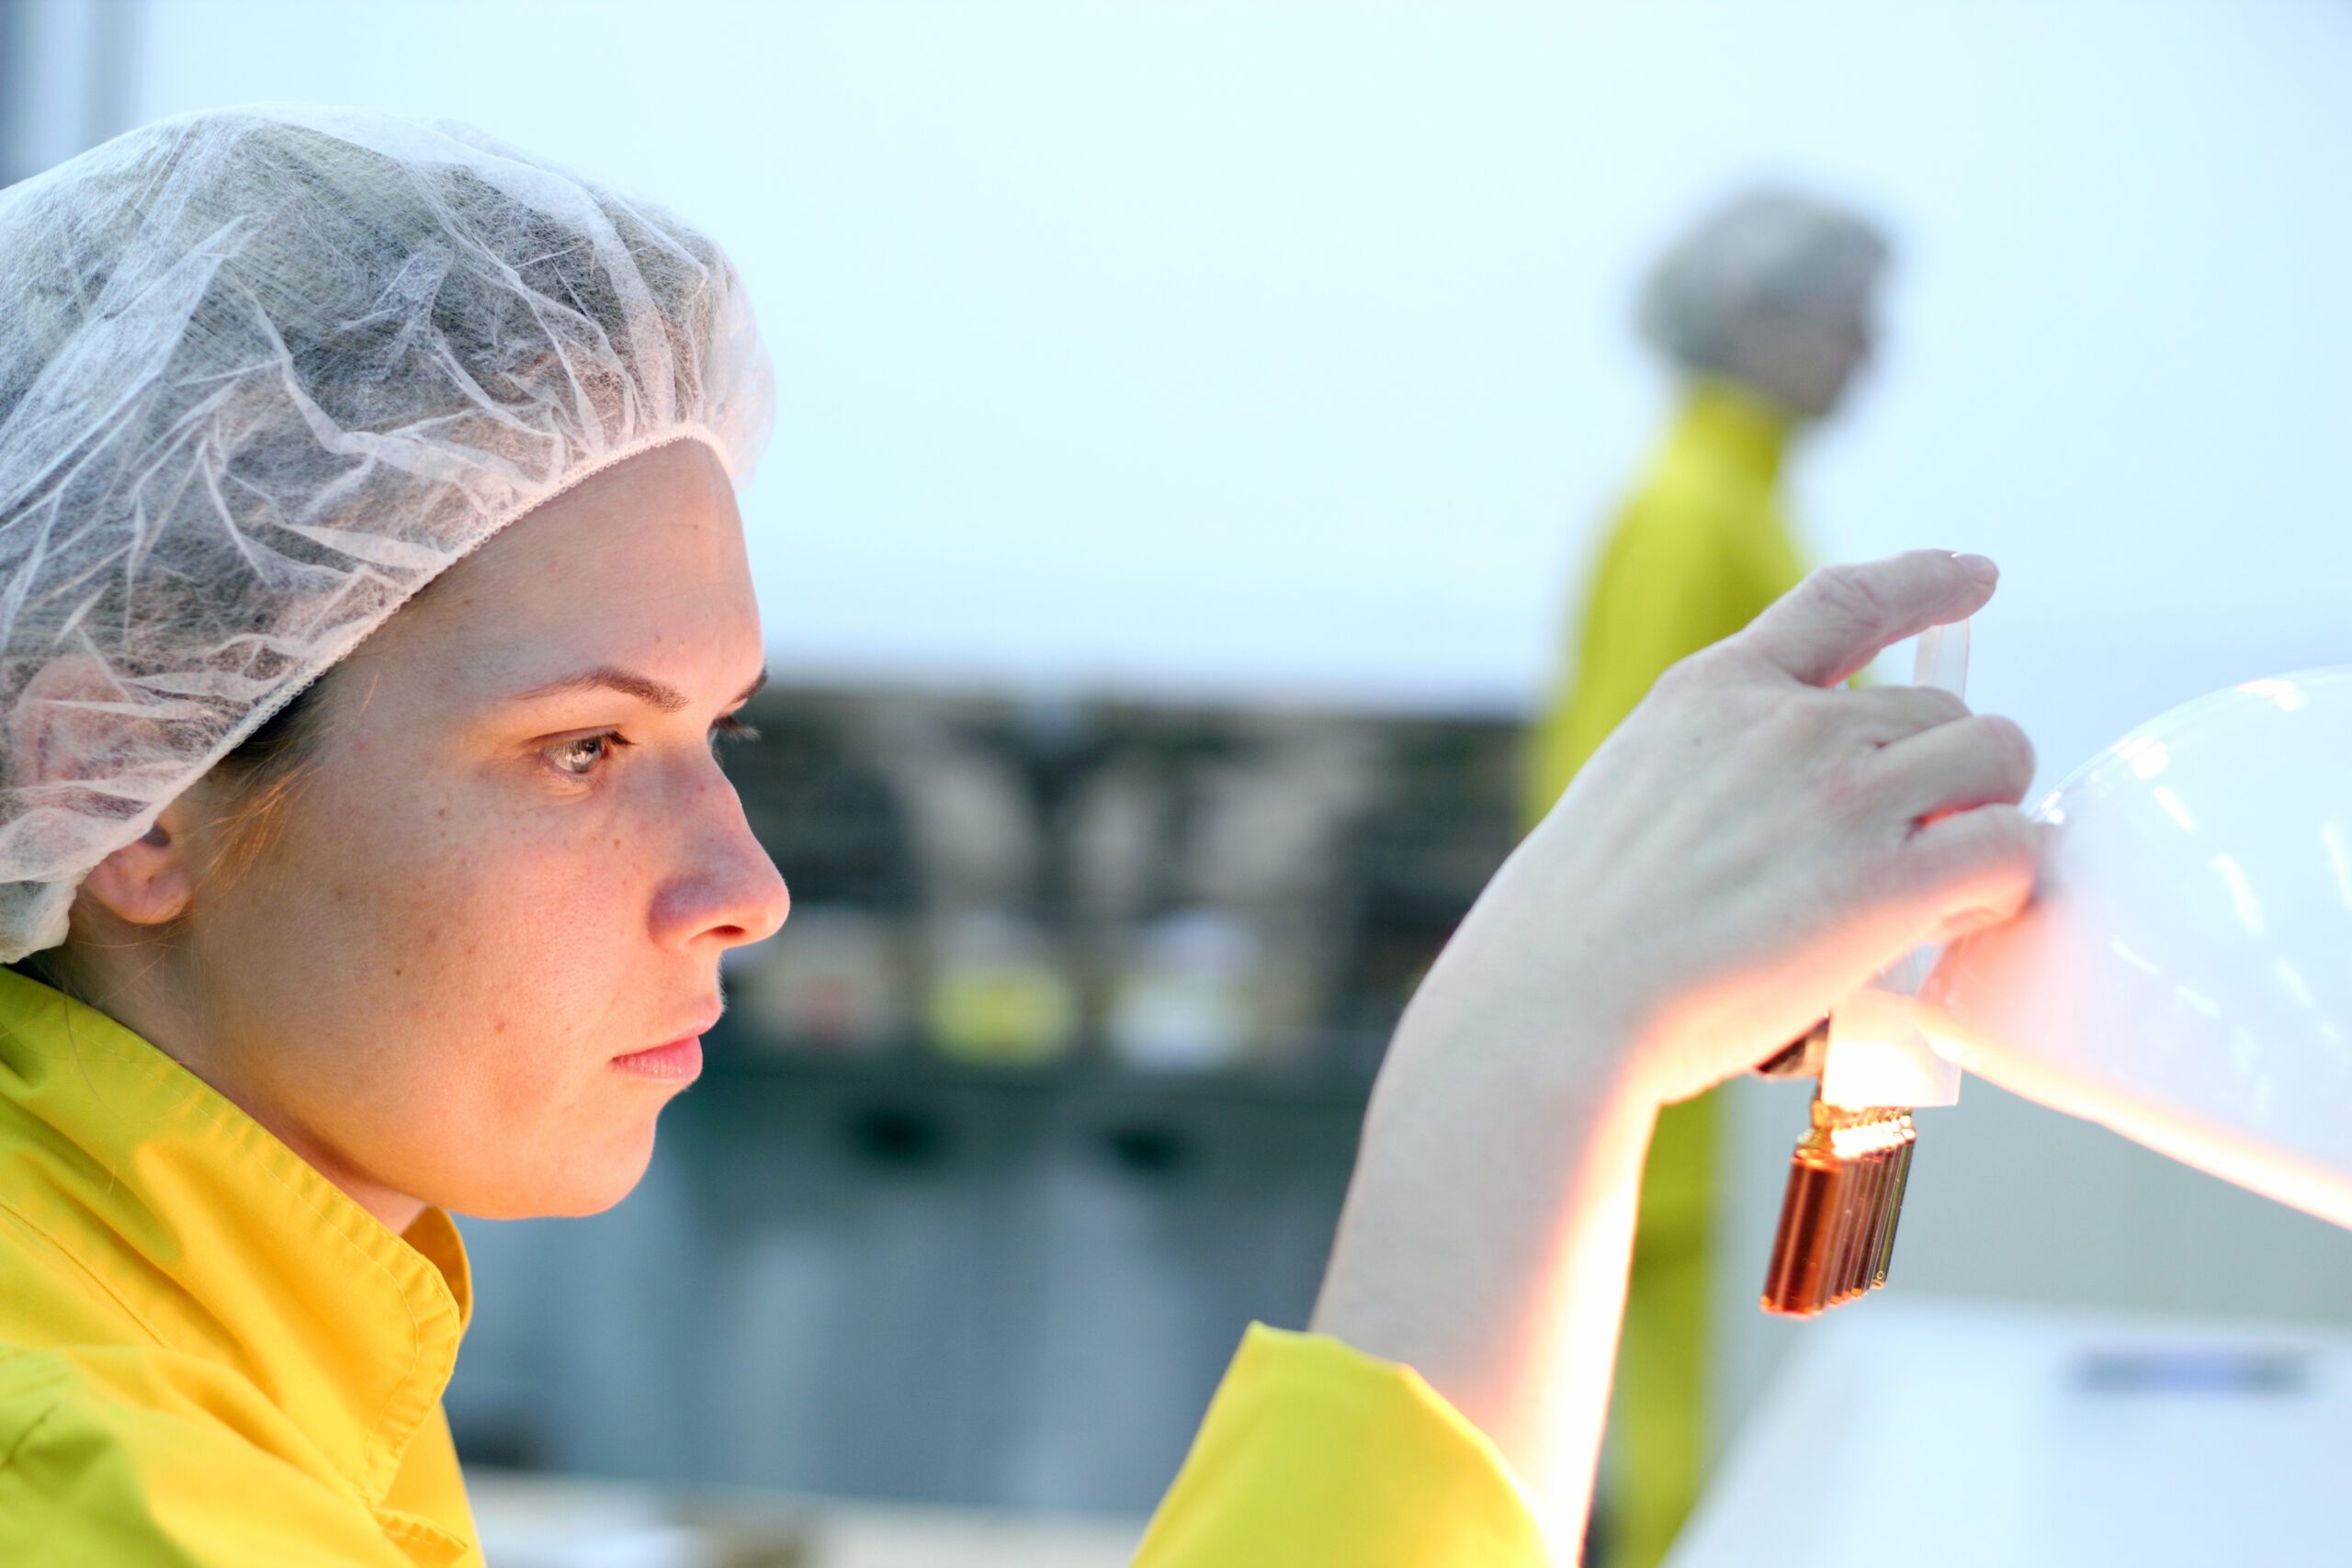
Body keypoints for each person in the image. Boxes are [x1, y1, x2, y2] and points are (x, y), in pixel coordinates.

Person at [0, 109, 2037, 1566]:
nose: (747, 883)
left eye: (719, 728)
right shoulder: (94, 1477)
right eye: (581, 745)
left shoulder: (228, 1311)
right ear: (133, 787)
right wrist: (1516, 1067)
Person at [1522, 186, 1894, 1567]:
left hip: (1703, 1029)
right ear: (1754, 323)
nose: (1872, 351)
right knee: (1677, 1449)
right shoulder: (1693, 516)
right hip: (1680, 1041)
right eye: (1846, 317)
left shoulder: (1733, 509)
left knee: (1693, 1435)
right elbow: (1628, 807)